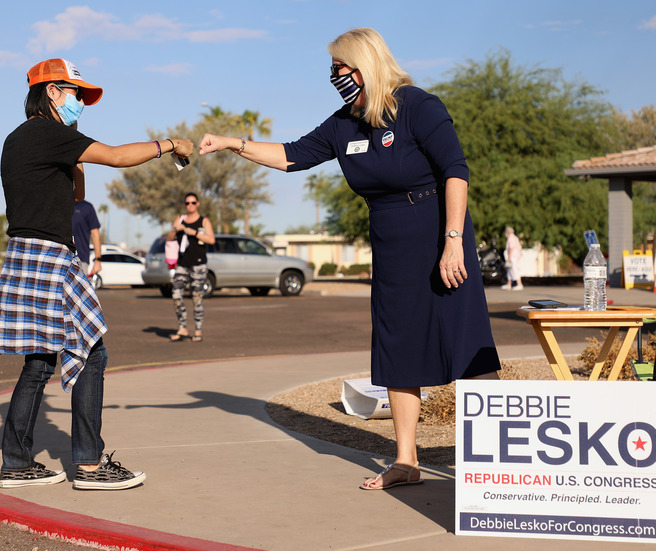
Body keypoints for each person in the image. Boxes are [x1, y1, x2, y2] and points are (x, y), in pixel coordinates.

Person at [198, 28, 501, 490]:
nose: (334, 77)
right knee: (398, 349)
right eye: (332, 70)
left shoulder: (418, 106)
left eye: (339, 68)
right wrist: (232, 143)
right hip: (392, 247)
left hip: (440, 235)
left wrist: (454, 240)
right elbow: (291, 156)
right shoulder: (344, 124)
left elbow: (455, 172)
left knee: (466, 342)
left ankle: (501, 455)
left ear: (365, 65)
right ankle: (406, 461)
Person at [0, 58, 193, 490]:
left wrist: (74, 148)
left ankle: (16, 462)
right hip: (49, 255)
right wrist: (170, 144)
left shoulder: (19, 139)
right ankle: (90, 466)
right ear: (51, 92)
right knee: (93, 351)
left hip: (24, 253)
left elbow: (78, 193)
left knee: (39, 361)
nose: (81, 103)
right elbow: (117, 156)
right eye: (75, 94)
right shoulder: (46, 133)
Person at [169, 192, 215, 342]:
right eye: (187, 203)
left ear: (198, 204)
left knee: (196, 298)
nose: (190, 205)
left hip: (199, 264)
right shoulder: (180, 219)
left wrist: (193, 232)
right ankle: (182, 328)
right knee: (176, 294)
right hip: (182, 263)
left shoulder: (204, 221)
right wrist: (176, 229)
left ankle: (198, 330)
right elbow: (169, 238)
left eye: (193, 203)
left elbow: (211, 240)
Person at [72, 199, 102, 277]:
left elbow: (95, 234)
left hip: (81, 260)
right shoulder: (58, 203)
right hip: (59, 258)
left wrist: (98, 260)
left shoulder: (87, 207)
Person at [502, 226, 524, 290]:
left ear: (507, 232)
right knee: (509, 269)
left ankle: (519, 284)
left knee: (514, 269)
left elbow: (511, 248)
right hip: (515, 255)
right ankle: (508, 284)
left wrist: (509, 257)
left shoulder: (511, 238)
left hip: (513, 256)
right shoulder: (515, 237)